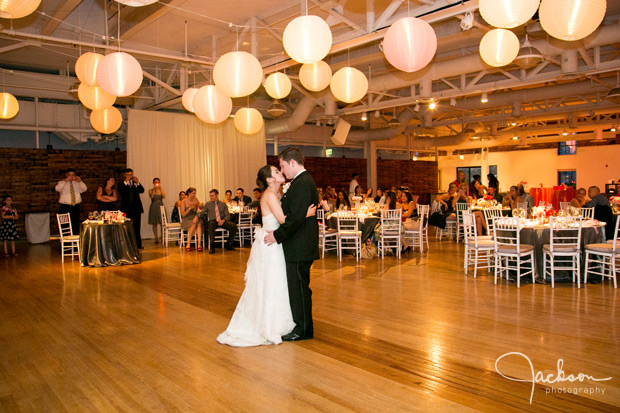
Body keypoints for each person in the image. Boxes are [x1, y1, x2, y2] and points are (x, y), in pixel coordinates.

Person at [217, 165, 316, 347]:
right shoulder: (270, 195)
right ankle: (270, 324)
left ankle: (280, 321)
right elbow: (283, 220)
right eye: (277, 172)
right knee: (272, 282)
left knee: (277, 282)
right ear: (270, 179)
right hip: (271, 244)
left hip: (275, 242)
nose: (281, 173)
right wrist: (305, 213)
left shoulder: (276, 193)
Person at [264, 147, 319, 342]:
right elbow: (292, 213)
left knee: (300, 288)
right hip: (298, 245)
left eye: (283, 165)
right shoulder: (299, 182)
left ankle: (303, 329)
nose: (283, 170)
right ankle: (301, 326)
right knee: (297, 287)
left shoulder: (303, 183)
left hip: (300, 245)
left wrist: (277, 235)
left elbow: (295, 219)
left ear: (293, 163)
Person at [200, 189, 238, 254]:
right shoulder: (208, 204)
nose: (211, 197)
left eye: (212, 196)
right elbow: (202, 213)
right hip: (213, 221)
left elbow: (228, 215)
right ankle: (212, 246)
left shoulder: (223, 204)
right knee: (210, 225)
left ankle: (229, 243)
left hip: (222, 220)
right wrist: (196, 217)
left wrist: (223, 220)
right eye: (210, 196)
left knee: (233, 226)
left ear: (217, 195)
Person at [118, 168, 145, 249]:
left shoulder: (135, 183)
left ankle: (138, 244)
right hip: (126, 209)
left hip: (136, 209)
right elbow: (121, 191)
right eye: (128, 175)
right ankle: (127, 245)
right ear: (125, 175)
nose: (130, 176)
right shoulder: (121, 184)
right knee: (126, 227)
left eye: (131, 175)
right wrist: (126, 182)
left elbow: (142, 190)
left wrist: (137, 183)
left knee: (137, 227)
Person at [55, 168, 87, 235]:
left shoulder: (77, 183)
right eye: (70, 175)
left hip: (75, 206)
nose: (71, 177)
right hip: (65, 207)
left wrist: (80, 181)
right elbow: (57, 189)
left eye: (73, 175)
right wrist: (65, 181)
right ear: (66, 175)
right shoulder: (62, 183)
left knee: (75, 225)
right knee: (65, 225)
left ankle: (75, 241)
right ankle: (66, 241)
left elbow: (84, 189)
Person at [181, 187, 203, 252]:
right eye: (193, 193)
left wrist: (200, 205)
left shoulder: (195, 199)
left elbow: (200, 207)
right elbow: (183, 214)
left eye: (195, 193)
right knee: (194, 223)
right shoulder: (183, 201)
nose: (194, 195)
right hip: (187, 218)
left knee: (198, 223)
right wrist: (190, 208)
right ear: (189, 193)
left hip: (195, 216)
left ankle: (199, 244)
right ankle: (188, 243)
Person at [147, 178, 166, 244]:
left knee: (161, 223)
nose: (156, 183)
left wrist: (160, 189)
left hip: (160, 206)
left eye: (158, 182)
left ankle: (162, 237)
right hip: (154, 206)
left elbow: (163, 196)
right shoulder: (150, 190)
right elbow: (151, 197)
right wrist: (154, 190)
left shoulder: (161, 190)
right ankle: (156, 238)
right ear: (153, 183)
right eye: (155, 182)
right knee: (154, 223)